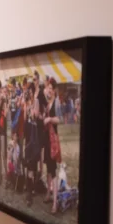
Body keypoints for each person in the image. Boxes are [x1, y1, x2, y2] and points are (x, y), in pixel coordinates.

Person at [43, 78, 62, 213]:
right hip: (47, 140)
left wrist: (49, 119)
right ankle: (49, 194)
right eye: (48, 87)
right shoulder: (49, 102)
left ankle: (55, 203)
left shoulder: (56, 102)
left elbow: (59, 119)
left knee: (53, 171)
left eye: (50, 88)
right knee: (48, 169)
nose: (49, 90)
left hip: (52, 141)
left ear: (54, 89)